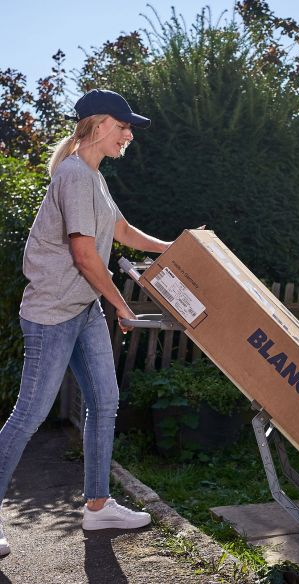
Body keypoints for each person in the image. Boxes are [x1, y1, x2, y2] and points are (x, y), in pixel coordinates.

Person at [0, 90, 174, 557]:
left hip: (81, 309)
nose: (129, 133)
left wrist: (175, 247)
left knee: (106, 401)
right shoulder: (75, 175)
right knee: (29, 415)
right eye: (124, 126)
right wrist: (121, 303)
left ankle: (97, 505)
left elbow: (121, 232)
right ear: (99, 127)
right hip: (53, 313)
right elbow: (83, 254)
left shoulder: (93, 177)